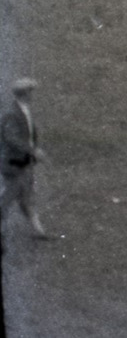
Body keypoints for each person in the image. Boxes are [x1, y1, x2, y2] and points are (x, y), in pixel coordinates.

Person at [2, 78, 52, 240]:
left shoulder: (25, 110)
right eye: (30, 91)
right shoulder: (12, 114)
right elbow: (11, 138)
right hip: (14, 164)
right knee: (7, 200)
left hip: (25, 163)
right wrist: (33, 150)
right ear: (24, 94)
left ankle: (39, 232)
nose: (32, 95)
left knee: (27, 199)